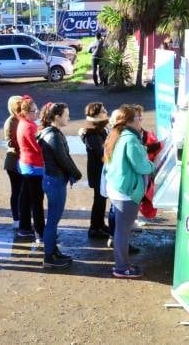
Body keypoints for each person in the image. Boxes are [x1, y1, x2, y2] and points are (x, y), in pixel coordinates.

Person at [104, 104, 154, 278]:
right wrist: (152, 165)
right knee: (122, 231)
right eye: (138, 118)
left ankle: (122, 263)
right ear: (131, 121)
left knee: (120, 230)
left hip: (117, 188)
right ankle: (122, 267)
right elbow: (141, 166)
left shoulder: (118, 134)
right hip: (126, 192)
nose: (141, 120)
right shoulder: (130, 139)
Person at [37, 102, 82, 270]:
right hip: (54, 180)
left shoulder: (52, 133)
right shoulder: (53, 135)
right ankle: (49, 257)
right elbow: (63, 159)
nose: (69, 117)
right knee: (53, 221)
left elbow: (65, 157)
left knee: (53, 220)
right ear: (56, 117)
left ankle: (53, 251)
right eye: (66, 114)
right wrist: (77, 174)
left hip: (53, 179)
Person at [79, 102, 112, 239]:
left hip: (101, 171)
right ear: (96, 115)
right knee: (98, 199)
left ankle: (100, 224)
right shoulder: (91, 134)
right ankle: (94, 228)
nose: (106, 111)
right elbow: (101, 154)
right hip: (97, 172)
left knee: (102, 199)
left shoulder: (100, 130)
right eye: (103, 110)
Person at [16, 96, 45, 242]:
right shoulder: (29, 126)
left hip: (26, 166)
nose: (37, 112)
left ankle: (24, 228)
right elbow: (38, 148)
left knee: (26, 199)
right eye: (34, 110)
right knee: (36, 202)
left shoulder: (23, 123)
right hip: (34, 168)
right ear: (26, 113)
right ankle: (40, 232)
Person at [3, 95, 23, 229]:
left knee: (22, 191)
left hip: (20, 160)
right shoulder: (11, 121)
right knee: (16, 191)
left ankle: (22, 216)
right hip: (14, 161)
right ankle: (16, 218)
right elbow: (10, 141)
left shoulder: (20, 119)